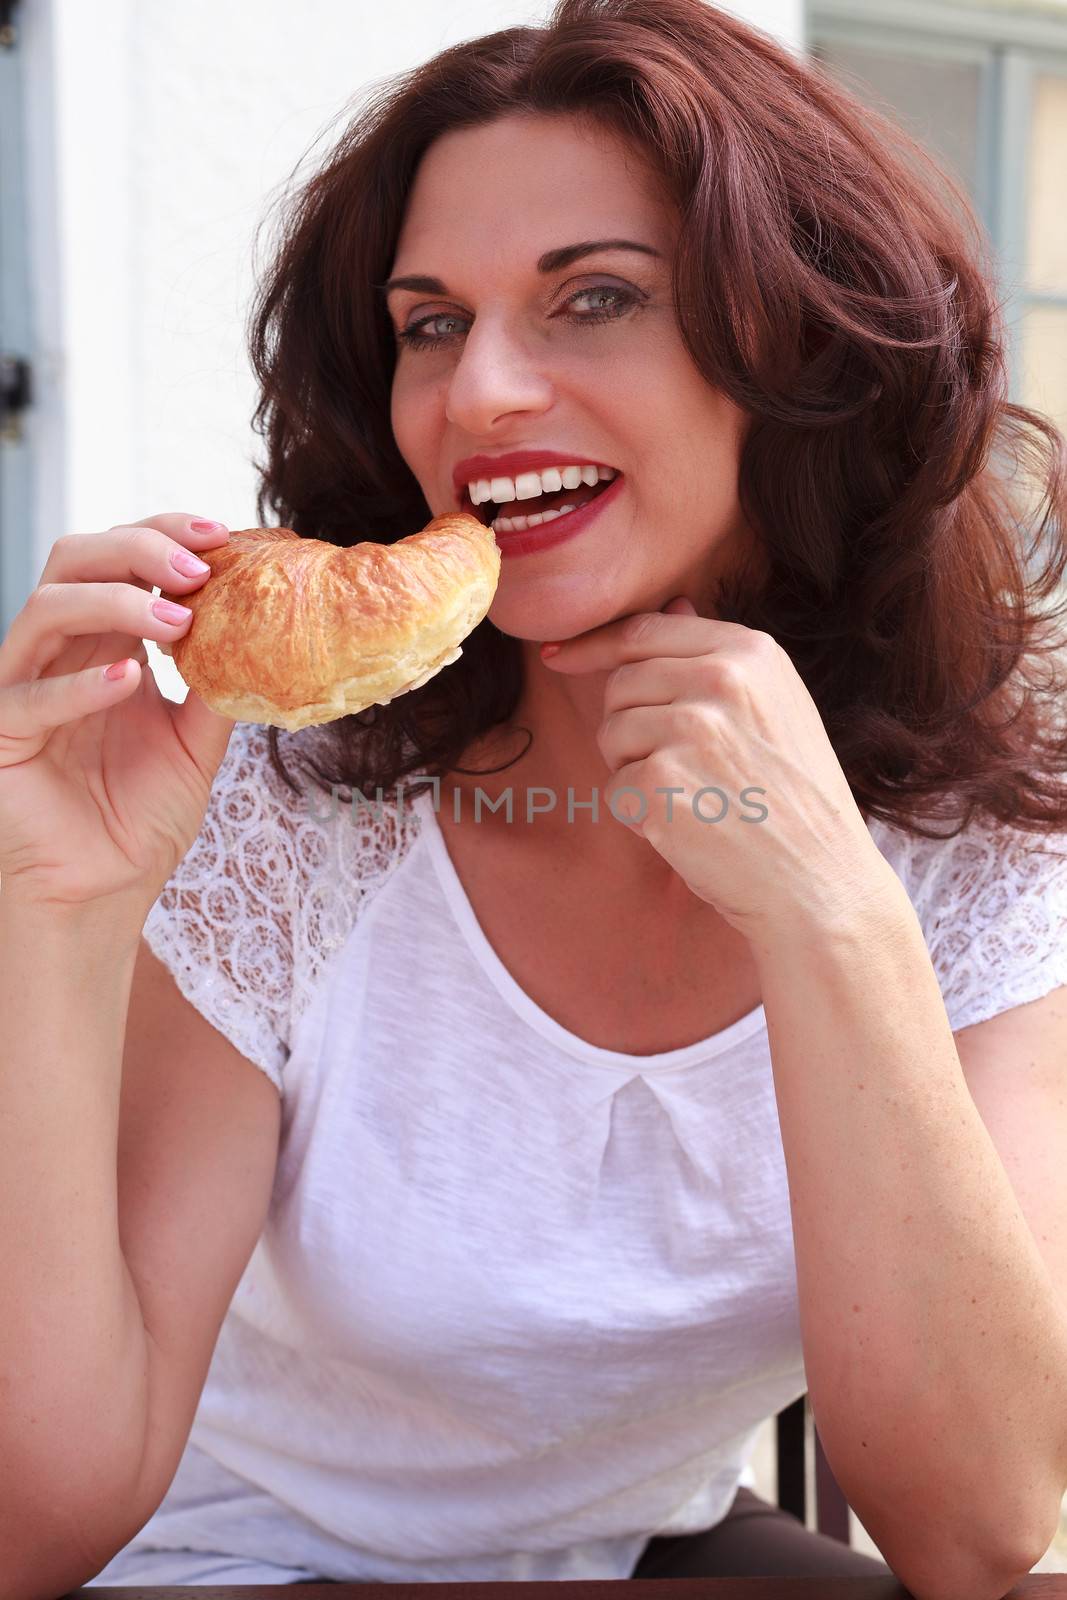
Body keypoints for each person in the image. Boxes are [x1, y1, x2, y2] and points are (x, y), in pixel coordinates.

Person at [2, 0, 1066, 1591]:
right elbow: (39, 1522)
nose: (483, 390)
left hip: (634, 1547)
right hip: (226, 1557)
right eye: (431, 323)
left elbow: (985, 1532)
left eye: (597, 298)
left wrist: (831, 906)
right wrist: (54, 912)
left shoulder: (969, 840)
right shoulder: (289, 813)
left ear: (798, 351)